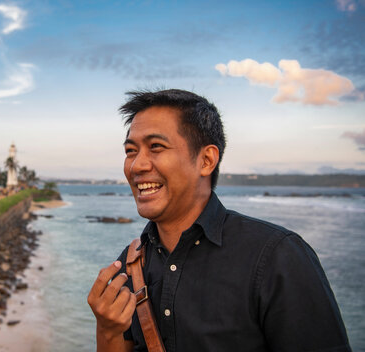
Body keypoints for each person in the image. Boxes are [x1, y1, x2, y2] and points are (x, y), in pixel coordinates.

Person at [87, 89, 351, 352]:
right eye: (131, 150)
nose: (136, 166)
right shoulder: (131, 265)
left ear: (206, 160)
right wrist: (108, 330)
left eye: (156, 146)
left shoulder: (276, 256)